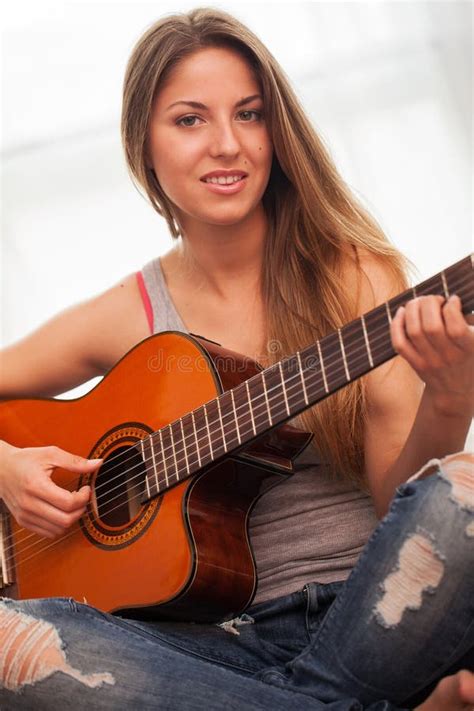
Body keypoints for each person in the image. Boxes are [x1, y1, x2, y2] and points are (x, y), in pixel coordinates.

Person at [0, 7, 473, 710]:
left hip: (366, 616)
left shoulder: (357, 277)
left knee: (462, 489)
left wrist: (450, 400)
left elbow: (393, 501)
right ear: (144, 144)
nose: (227, 144)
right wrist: (6, 467)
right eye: (190, 120)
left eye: (249, 115)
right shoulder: (127, 311)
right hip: (210, 646)